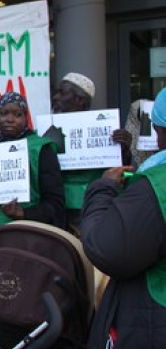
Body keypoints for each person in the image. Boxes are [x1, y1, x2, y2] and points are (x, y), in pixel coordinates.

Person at [82, 87, 166, 349]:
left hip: (152, 325)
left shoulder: (155, 185)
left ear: (158, 130)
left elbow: (107, 249)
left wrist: (102, 190)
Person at [0, 92, 65, 234]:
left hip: (28, 233)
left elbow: (55, 202)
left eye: (17, 114)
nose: (10, 119)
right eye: (4, 113)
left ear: (26, 118)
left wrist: (23, 213)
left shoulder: (41, 148)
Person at [51, 72, 132, 232]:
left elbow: (124, 173)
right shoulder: (48, 129)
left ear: (79, 100)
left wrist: (123, 148)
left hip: (90, 207)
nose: (55, 97)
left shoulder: (106, 131)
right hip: (57, 208)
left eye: (62, 93)